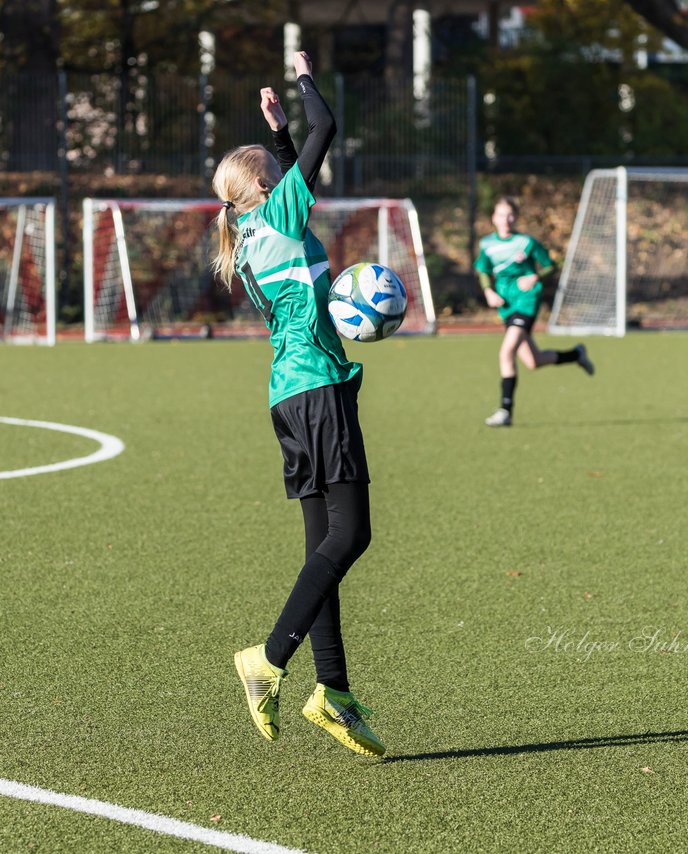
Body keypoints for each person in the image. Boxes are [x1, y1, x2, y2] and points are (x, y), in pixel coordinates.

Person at [210, 50, 384, 758]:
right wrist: (306, 79)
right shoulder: (281, 213)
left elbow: (299, 161)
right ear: (263, 184)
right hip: (317, 390)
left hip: (290, 397)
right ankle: (268, 660)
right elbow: (329, 126)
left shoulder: (253, 233)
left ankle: (334, 693)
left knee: (323, 548)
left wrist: (275, 134)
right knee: (352, 538)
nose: (287, 172)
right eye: (276, 168)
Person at [475, 197, 594, 427]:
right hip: (506, 304)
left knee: (506, 352)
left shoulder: (526, 242)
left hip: (527, 301)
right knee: (533, 361)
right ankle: (576, 354)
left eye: (510, 215)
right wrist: (488, 291)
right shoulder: (486, 244)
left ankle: (505, 410)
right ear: (493, 218)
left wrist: (536, 277)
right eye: (501, 215)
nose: (505, 220)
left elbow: (551, 265)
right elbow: (483, 270)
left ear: (516, 218)